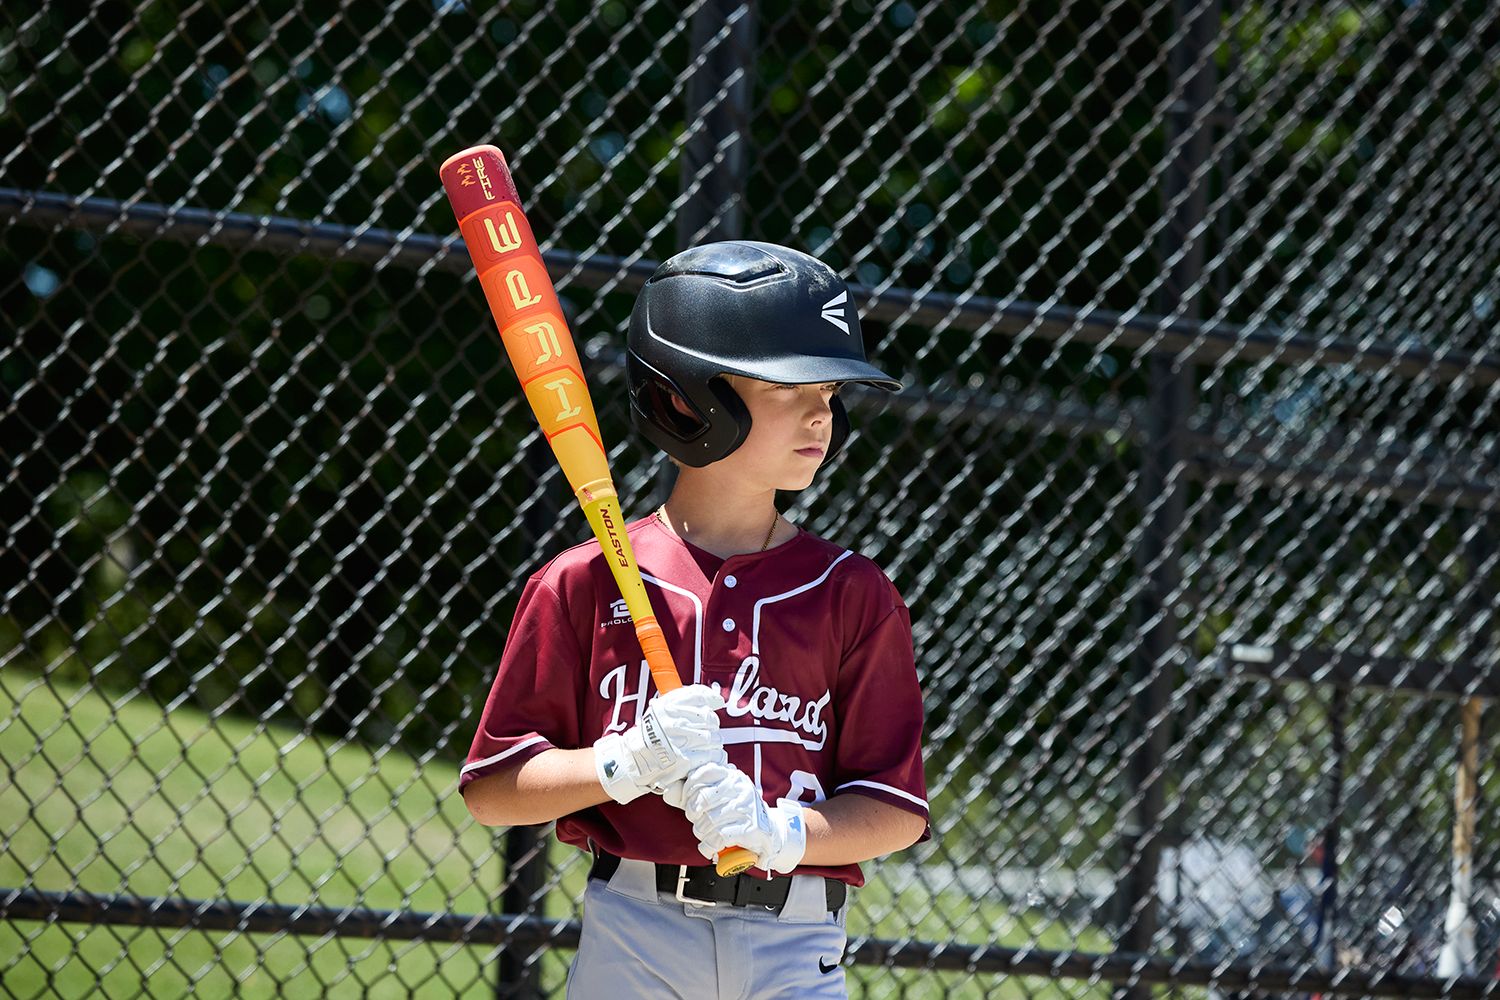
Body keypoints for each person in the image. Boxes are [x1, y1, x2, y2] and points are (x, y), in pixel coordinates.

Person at [460, 240, 930, 999]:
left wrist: (781, 833)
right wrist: (628, 760)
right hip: (634, 930)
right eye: (793, 385)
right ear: (689, 398)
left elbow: (894, 807)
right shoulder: (581, 580)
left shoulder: (854, 593)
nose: (823, 410)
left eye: (833, 391)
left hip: (798, 936)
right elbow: (495, 789)